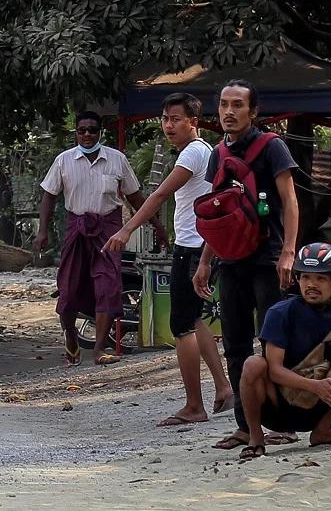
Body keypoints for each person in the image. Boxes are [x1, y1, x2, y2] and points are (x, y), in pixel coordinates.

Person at [103, 93, 234, 425]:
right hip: (198, 245)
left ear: (193, 122)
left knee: (181, 326)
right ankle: (223, 388)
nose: (168, 125)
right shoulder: (203, 151)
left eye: (175, 119)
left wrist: (127, 230)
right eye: (164, 119)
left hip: (193, 249)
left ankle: (194, 406)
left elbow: (160, 194)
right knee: (194, 319)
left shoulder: (193, 153)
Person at [193, 79, 301, 451]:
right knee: (236, 346)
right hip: (231, 260)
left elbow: (289, 201)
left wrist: (288, 252)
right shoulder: (217, 153)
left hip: (268, 258)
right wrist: (206, 261)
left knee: (274, 343)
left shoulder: (273, 147)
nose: (228, 111)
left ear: (253, 112)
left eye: (237, 105)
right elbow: (217, 212)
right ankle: (245, 425)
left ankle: (282, 423)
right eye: (224, 104)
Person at [33, 111, 165, 366]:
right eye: (82, 130)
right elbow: (48, 196)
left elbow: (135, 197)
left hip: (108, 231)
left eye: (92, 130)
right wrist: (42, 231)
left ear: (100, 133)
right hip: (77, 228)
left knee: (107, 287)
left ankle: (99, 350)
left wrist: (157, 226)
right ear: (76, 133)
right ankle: (71, 337)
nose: (87, 135)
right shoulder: (64, 161)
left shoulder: (117, 160)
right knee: (69, 290)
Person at [237, 243, 331, 459]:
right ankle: (256, 438)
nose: (311, 285)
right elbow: (275, 371)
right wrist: (316, 386)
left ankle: (323, 431)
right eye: (306, 278)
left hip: (317, 406)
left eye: (320, 279)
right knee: (253, 364)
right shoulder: (280, 314)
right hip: (276, 406)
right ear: (297, 280)